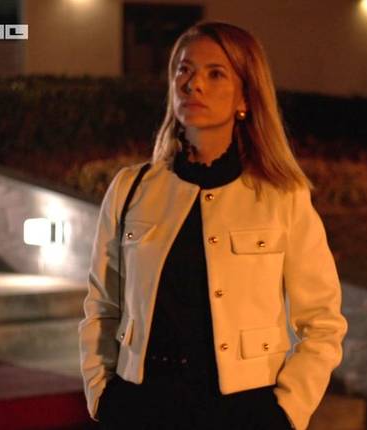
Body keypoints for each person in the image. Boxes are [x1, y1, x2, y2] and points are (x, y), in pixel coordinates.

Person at [79, 22, 347, 430]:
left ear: (245, 97)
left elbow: (323, 322)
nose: (194, 84)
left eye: (215, 73)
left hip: (243, 412)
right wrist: (102, 393)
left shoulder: (282, 196)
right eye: (184, 70)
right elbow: (102, 306)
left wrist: (286, 412)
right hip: (143, 404)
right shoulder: (130, 189)